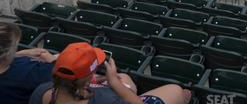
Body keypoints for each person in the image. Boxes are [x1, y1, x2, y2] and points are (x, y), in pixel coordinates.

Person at [29, 42, 190, 104]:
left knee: (126, 78)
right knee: (178, 91)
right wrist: (114, 83)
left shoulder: (42, 91)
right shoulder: (105, 99)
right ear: (88, 78)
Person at [0, 23, 56, 104]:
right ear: (7, 53)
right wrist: (53, 61)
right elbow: (60, 76)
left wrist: (18, 54)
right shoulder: (29, 73)